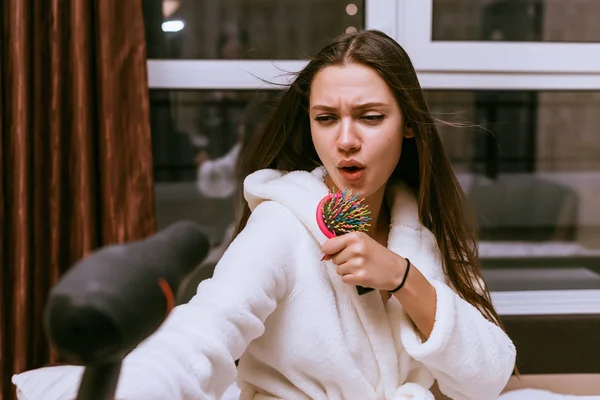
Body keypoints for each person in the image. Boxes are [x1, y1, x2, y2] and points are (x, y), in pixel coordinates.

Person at [14, 30, 516, 400]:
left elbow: (488, 376)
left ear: (408, 125)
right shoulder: (282, 225)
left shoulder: (424, 235)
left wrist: (403, 276)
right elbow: (204, 330)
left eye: (369, 117)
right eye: (325, 118)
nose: (345, 140)